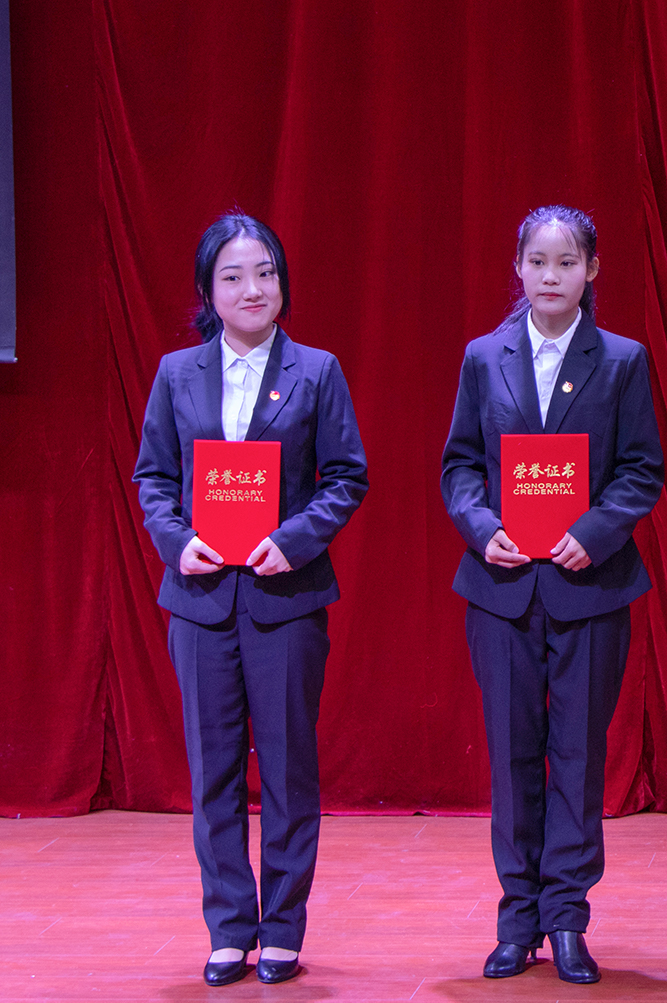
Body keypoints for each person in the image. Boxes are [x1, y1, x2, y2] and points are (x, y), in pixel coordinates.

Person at [134, 213, 368, 987]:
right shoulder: (177, 373)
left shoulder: (317, 370)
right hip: (200, 599)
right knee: (213, 771)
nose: (252, 288)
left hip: (285, 597)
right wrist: (177, 541)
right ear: (208, 290)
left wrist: (293, 539)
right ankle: (230, 927)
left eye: (264, 272)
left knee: (290, 768)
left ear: (282, 281)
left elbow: (346, 477)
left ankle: (283, 930)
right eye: (233, 276)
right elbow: (153, 478)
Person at [441, 205, 664, 985]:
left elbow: (641, 469)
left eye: (567, 262)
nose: (550, 276)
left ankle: (567, 917)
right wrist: (483, 527)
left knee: (577, 754)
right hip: (503, 587)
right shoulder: (484, 357)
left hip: (589, 585)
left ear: (591, 271)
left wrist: (594, 532)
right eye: (537, 261)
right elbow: (459, 465)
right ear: (518, 267)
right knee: (512, 754)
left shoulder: (623, 360)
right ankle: (517, 918)